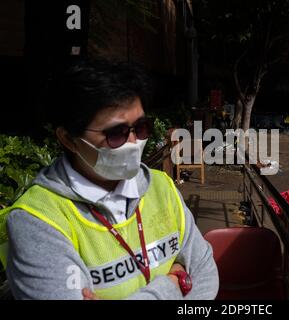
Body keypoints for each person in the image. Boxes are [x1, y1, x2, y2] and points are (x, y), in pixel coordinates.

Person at [0, 59, 219, 300]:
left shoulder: (161, 187)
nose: (134, 142)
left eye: (142, 127)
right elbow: (191, 282)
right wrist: (172, 285)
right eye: (116, 133)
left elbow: (206, 273)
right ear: (69, 139)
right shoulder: (37, 220)